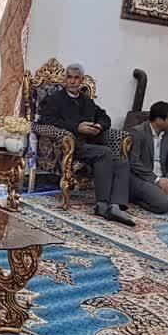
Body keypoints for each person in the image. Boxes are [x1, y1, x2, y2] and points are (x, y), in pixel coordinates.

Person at [38, 64, 133, 226]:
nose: (72, 81)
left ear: (81, 80)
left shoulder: (86, 100)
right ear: (65, 79)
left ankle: (116, 206)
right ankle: (101, 204)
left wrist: (99, 126)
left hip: (90, 144)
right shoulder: (55, 99)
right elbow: (45, 121)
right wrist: (77, 127)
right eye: (69, 77)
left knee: (122, 163)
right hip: (70, 146)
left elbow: (104, 117)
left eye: (76, 78)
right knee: (105, 153)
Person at [128, 101, 168, 214]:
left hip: (164, 177)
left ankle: (157, 196)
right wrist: (157, 180)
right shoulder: (138, 132)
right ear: (158, 119)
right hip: (143, 177)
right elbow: (134, 162)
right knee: (163, 206)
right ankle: (137, 199)